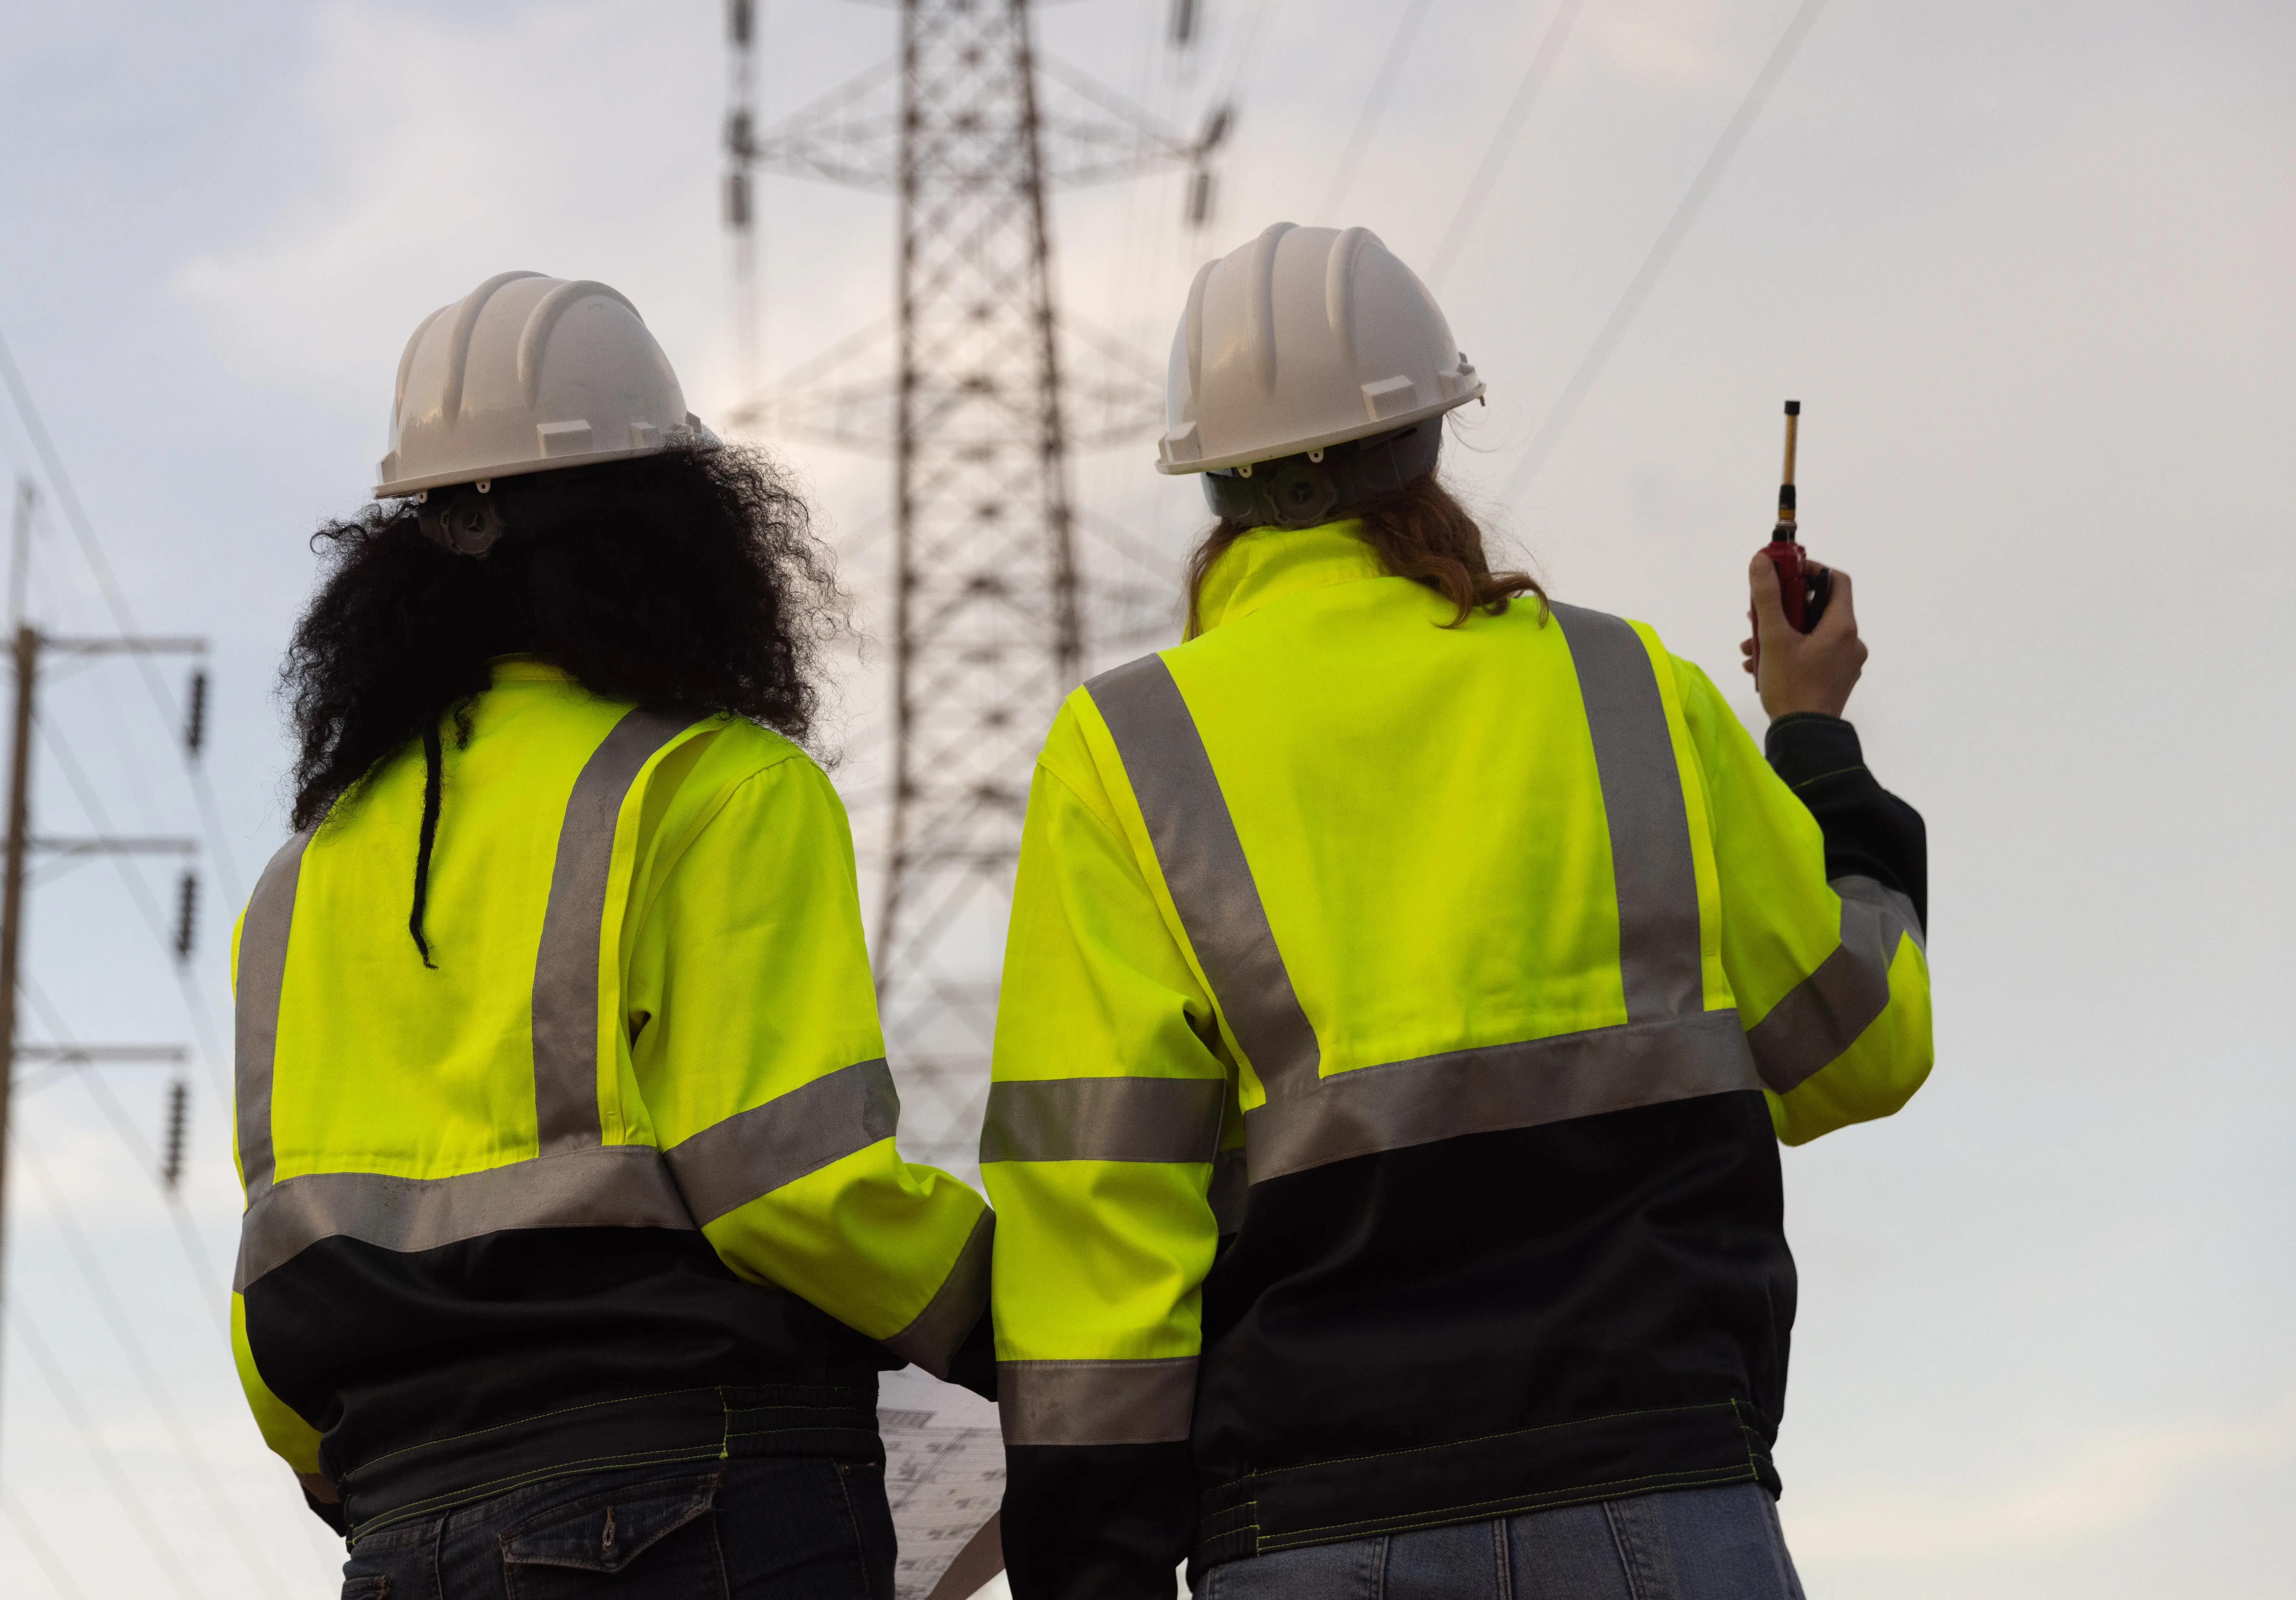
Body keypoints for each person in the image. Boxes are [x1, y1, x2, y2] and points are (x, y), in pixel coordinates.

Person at [983, 223, 1931, 1598]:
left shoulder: (1129, 754)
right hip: (1671, 1510)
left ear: (1216, 487)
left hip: (1305, 1531)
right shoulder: (1629, 689)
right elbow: (1860, 1046)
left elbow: (1094, 1216)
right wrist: (1813, 745)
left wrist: (1099, 1574)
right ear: (1433, 439)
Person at [229, 271, 993, 1593]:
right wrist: (1036, 1329)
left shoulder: (301, 882)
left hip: (404, 1530)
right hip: (694, 1502)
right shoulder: (718, 786)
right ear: (671, 535)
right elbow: (793, 1189)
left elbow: (277, 1284)